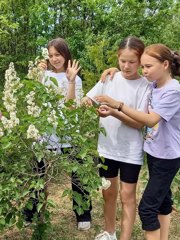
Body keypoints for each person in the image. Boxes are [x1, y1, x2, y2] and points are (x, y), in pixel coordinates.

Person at [96, 44, 180, 240]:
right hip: (154, 152)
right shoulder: (154, 85)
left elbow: (150, 120)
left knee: (147, 208)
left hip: (168, 156)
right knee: (163, 201)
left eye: (148, 66)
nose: (144, 71)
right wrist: (115, 70)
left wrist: (118, 105)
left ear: (165, 64)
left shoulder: (173, 91)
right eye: (142, 66)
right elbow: (130, 79)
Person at [84, 36, 151, 240]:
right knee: (108, 192)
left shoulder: (145, 85)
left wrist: (113, 111)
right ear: (117, 57)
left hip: (130, 150)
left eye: (132, 61)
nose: (127, 66)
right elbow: (90, 97)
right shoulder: (110, 78)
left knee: (127, 196)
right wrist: (88, 102)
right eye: (123, 60)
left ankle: (125, 237)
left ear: (140, 61)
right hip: (106, 148)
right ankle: (110, 232)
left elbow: (140, 123)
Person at [25, 37, 92, 230]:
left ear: (66, 55)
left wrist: (70, 82)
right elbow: (32, 99)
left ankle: (82, 214)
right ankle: (32, 212)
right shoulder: (43, 76)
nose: (55, 59)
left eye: (58, 54)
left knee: (78, 176)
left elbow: (71, 109)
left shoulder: (75, 78)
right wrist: (36, 73)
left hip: (69, 134)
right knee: (38, 175)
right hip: (44, 134)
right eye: (51, 55)